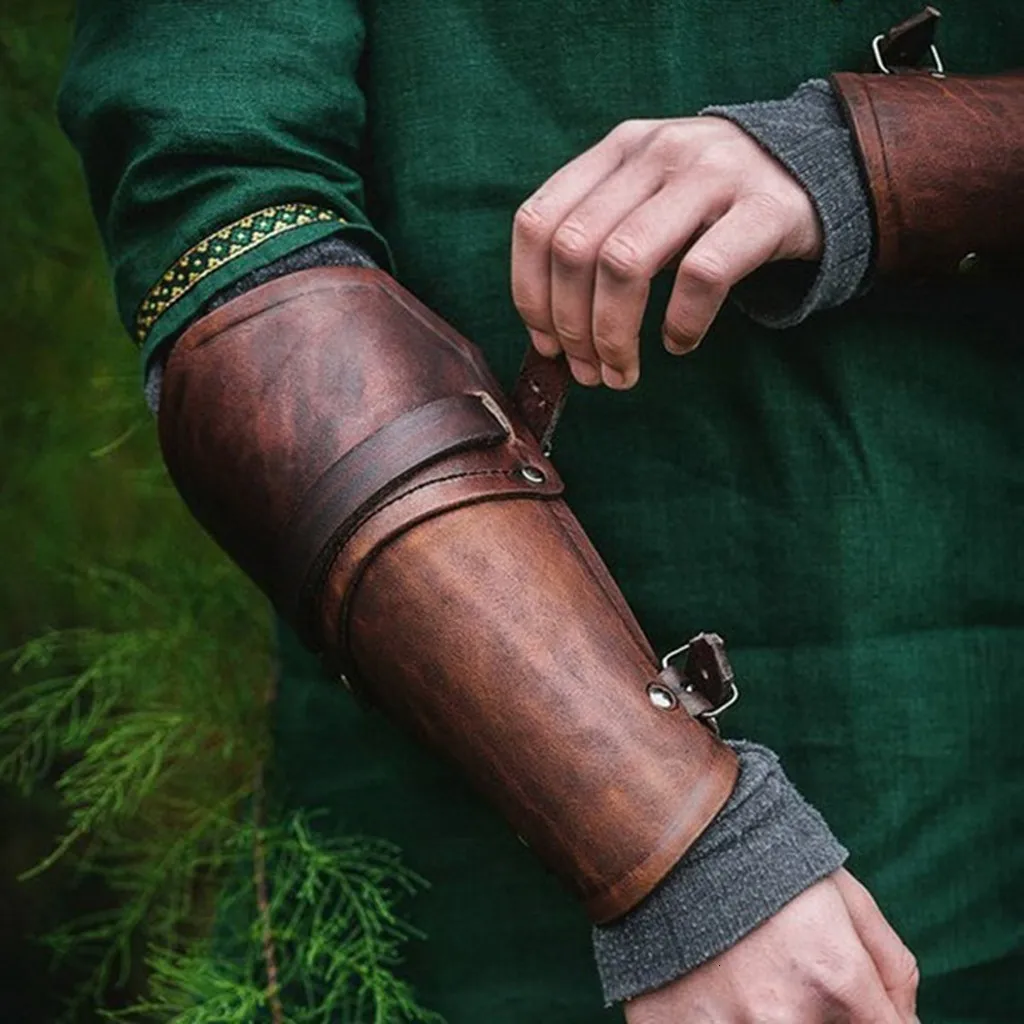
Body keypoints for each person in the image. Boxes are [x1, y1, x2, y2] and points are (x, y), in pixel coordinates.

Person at [58, 1, 1023, 1020]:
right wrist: (688, 852)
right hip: (465, 868)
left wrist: (868, 157)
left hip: (977, 746)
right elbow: (233, 238)